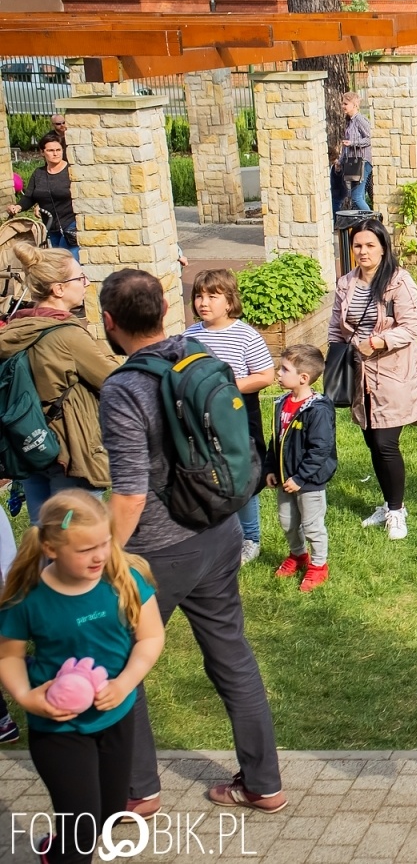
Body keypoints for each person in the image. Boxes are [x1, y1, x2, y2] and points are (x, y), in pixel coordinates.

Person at [97, 268, 285, 817]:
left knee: (119, 662)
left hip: (158, 552)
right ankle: (263, 782)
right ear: (163, 310)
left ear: (110, 323)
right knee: (233, 658)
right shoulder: (200, 355)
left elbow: (129, 494)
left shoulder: (125, 388)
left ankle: (138, 790)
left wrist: (102, 556)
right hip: (219, 531)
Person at [0, 491, 164, 864]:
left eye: (104, 543)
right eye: (86, 548)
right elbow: (7, 656)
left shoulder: (124, 579)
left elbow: (151, 636)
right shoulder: (28, 598)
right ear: (51, 548)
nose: (100, 555)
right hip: (58, 729)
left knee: (107, 815)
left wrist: (125, 683)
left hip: (115, 718)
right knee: (82, 838)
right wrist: (26, 698)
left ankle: (52, 850)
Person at [0, 243, 116, 524]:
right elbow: (112, 379)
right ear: (58, 289)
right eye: (79, 277)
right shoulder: (67, 335)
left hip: (31, 441)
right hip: (71, 449)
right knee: (78, 536)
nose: (85, 282)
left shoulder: (16, 327)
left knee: (44, 534)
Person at [331, 221, 417, 542]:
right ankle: (387, 503)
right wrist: (333, 364)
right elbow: (335, 329)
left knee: (386, 443)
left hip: (392, 372)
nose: (363, 251)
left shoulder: (399, 282)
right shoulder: (345, 284)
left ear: (383, 247)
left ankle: (397, 512)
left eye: (370, 245)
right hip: (359, 375)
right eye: (358, 245)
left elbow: (411, 327)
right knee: (372, 441)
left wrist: (377, 342)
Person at [184, 270, 276, 566]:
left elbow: (265, 376)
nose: (204, 302)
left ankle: (250, 538)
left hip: (238, 417)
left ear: (229, 301)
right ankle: (218, 534)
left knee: (241, 476)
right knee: (208, 473)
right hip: (200, 422)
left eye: (213, 296)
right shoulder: (189, 335)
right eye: (199, 295)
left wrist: (225, 387)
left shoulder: (246, 335)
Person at [265, 345, 338, 593]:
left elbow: (320, 449)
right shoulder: (282, 403)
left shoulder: (317, 410)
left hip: (308, 482)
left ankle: (318, 565)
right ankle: (298, 556)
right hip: (286, 479)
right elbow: (275, 440)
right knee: (287, 522)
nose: (278, 373)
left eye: (284, 369)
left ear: (303, 378)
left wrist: (300, 477)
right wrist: (271, 468)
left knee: (312, 525)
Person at [8, 132, 78, 257]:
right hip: (51, 227)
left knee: (65, 262)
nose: (55, 153)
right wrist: (18, 207)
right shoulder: (38, 173)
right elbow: (30, 196)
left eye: (58, 150)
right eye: (51, 150)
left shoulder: (71, 171)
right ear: (42, 152)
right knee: (56, 263)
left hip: (71, 225)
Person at [336, 91, 373, 213]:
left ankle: (373, 221)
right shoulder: (349, 121)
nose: (343, 106)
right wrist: (340, 161)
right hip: (352, 163)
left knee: (356, 197)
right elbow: (346, 145)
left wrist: (353, 142)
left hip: (362, 162)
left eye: (346, 104)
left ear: (355, 105)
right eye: (342, 103)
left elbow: (369, 138)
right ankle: (365, 224)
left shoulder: (360, 120)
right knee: (359, 196)